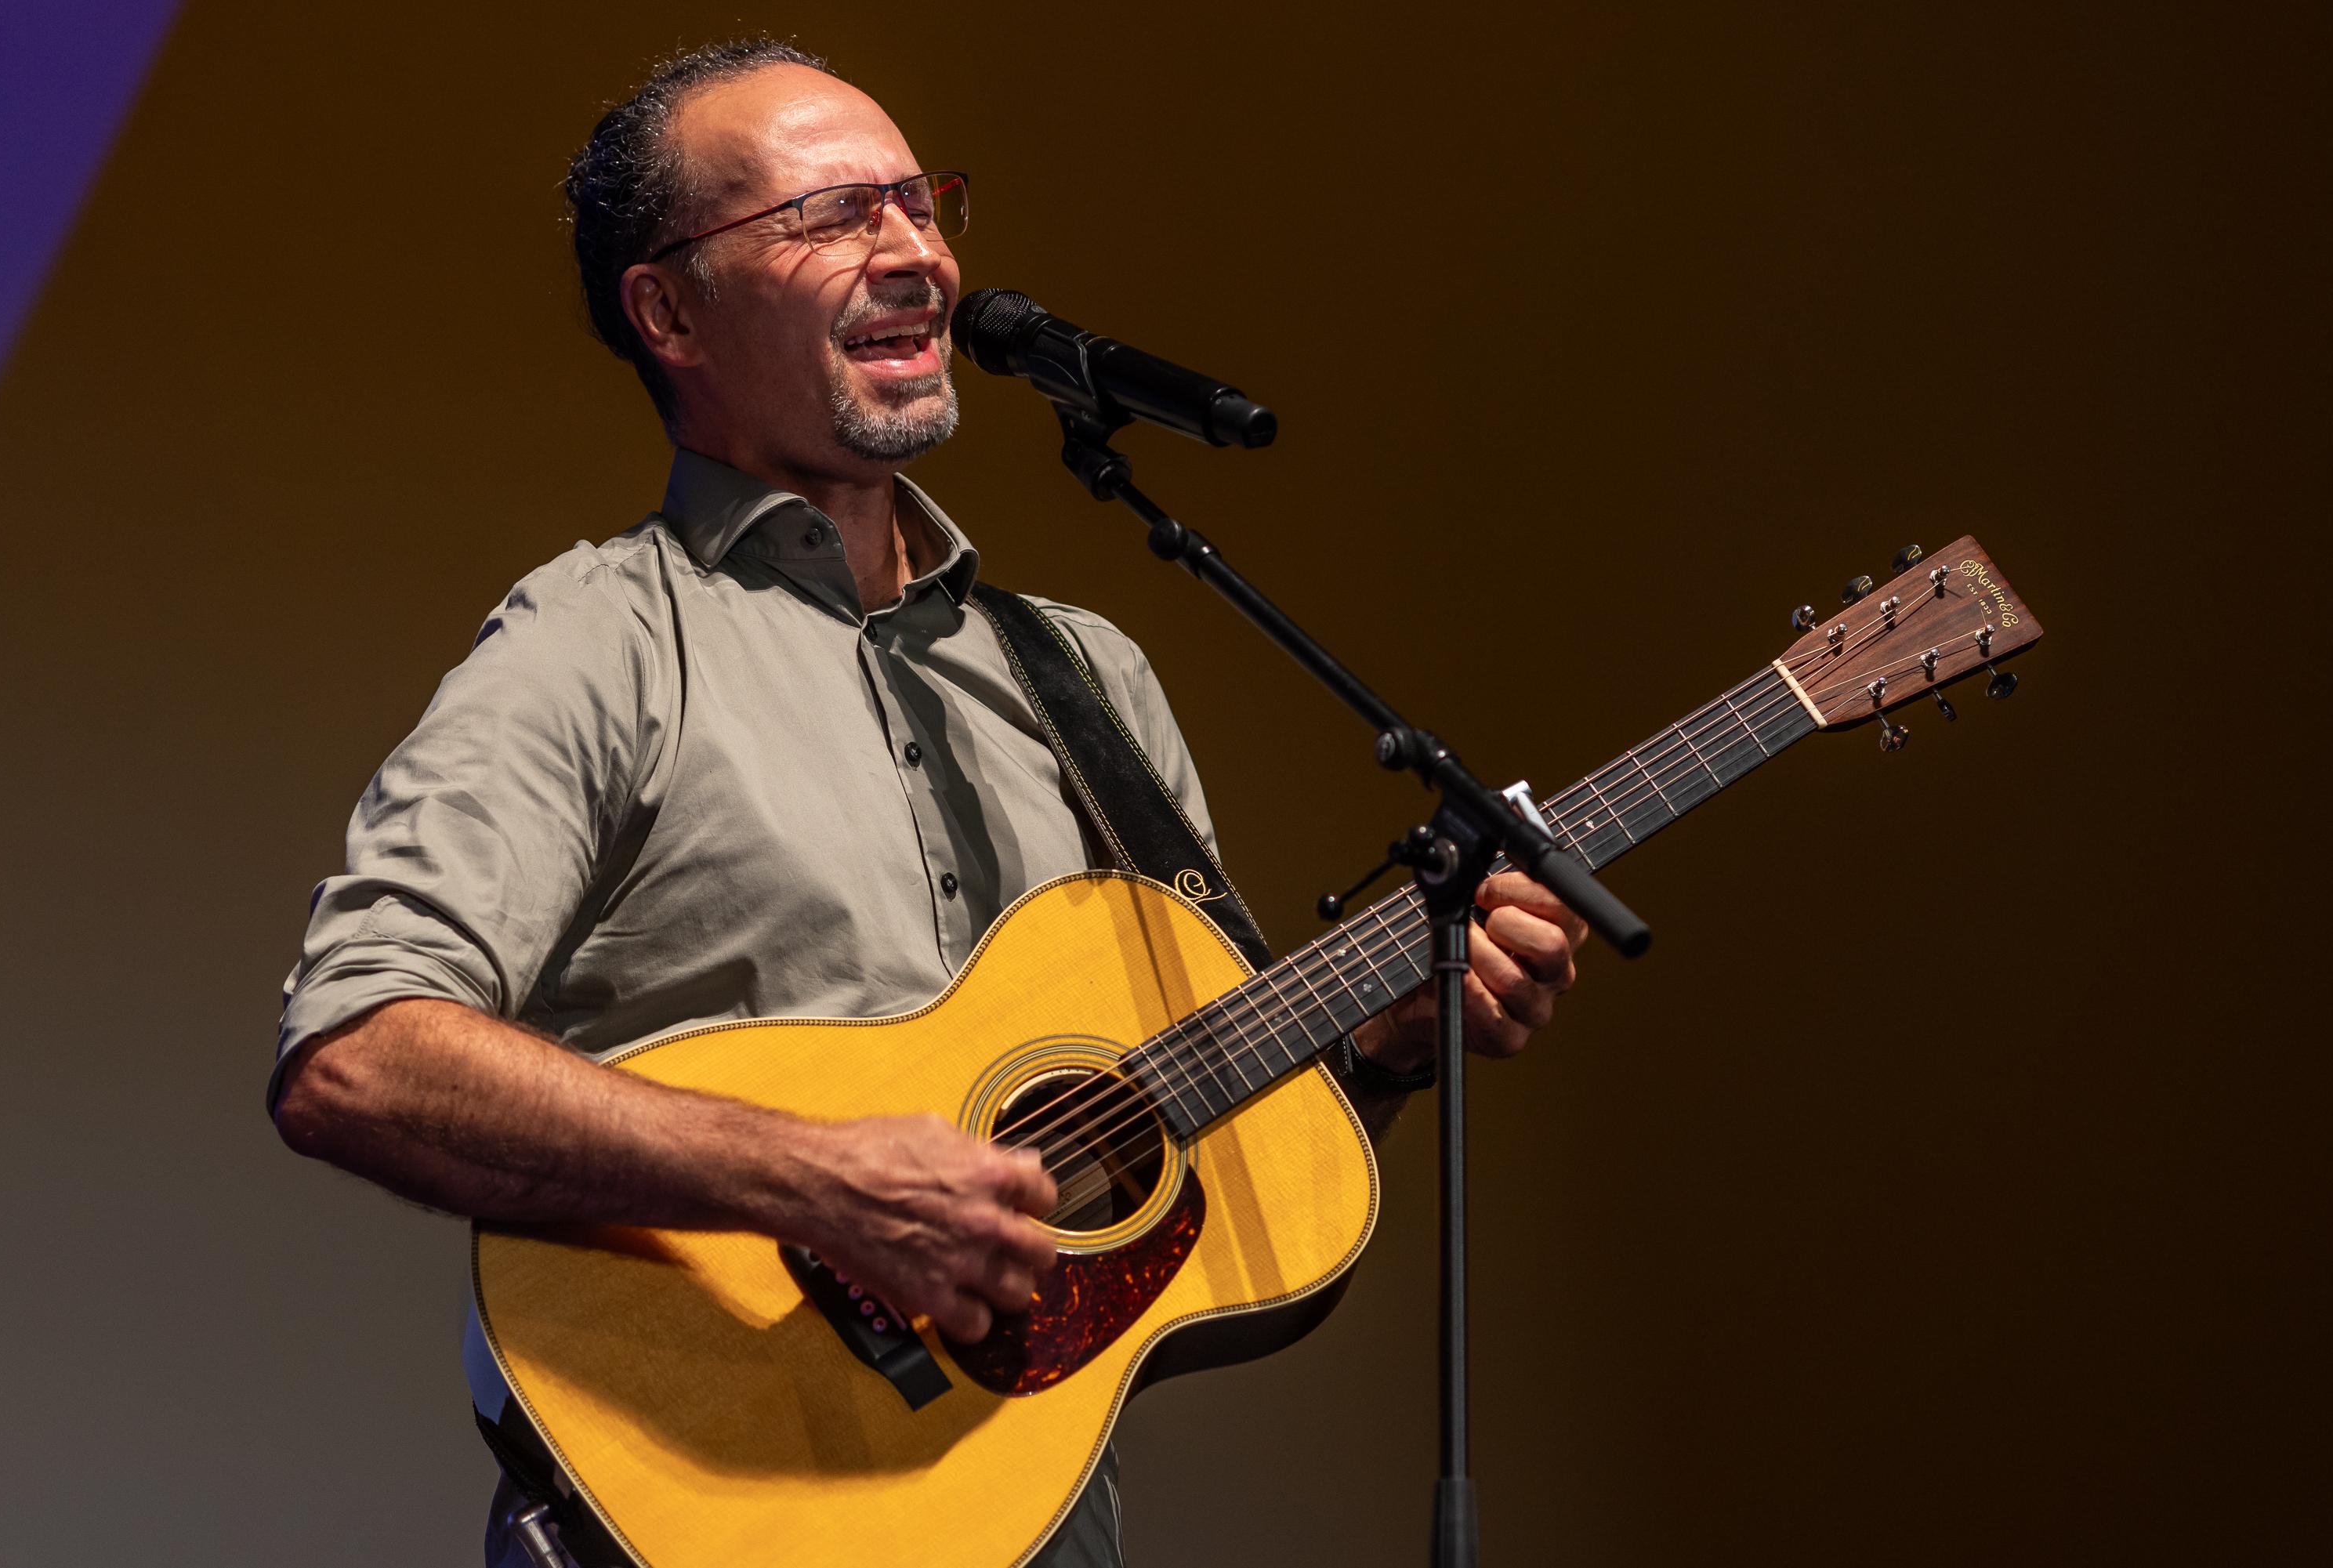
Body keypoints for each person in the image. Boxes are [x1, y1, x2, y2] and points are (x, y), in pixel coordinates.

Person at [266, 37, 1585, 1568]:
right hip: (713, 1512)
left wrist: (1381, 1041)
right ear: (670, 311)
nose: (916, 255)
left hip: (1030, 1516)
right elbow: (356, 1052)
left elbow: (1182, 1170)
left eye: (919, 202)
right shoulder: (600, 643)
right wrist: (814, 1181)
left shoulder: (1085, 679)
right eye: (833, 215)